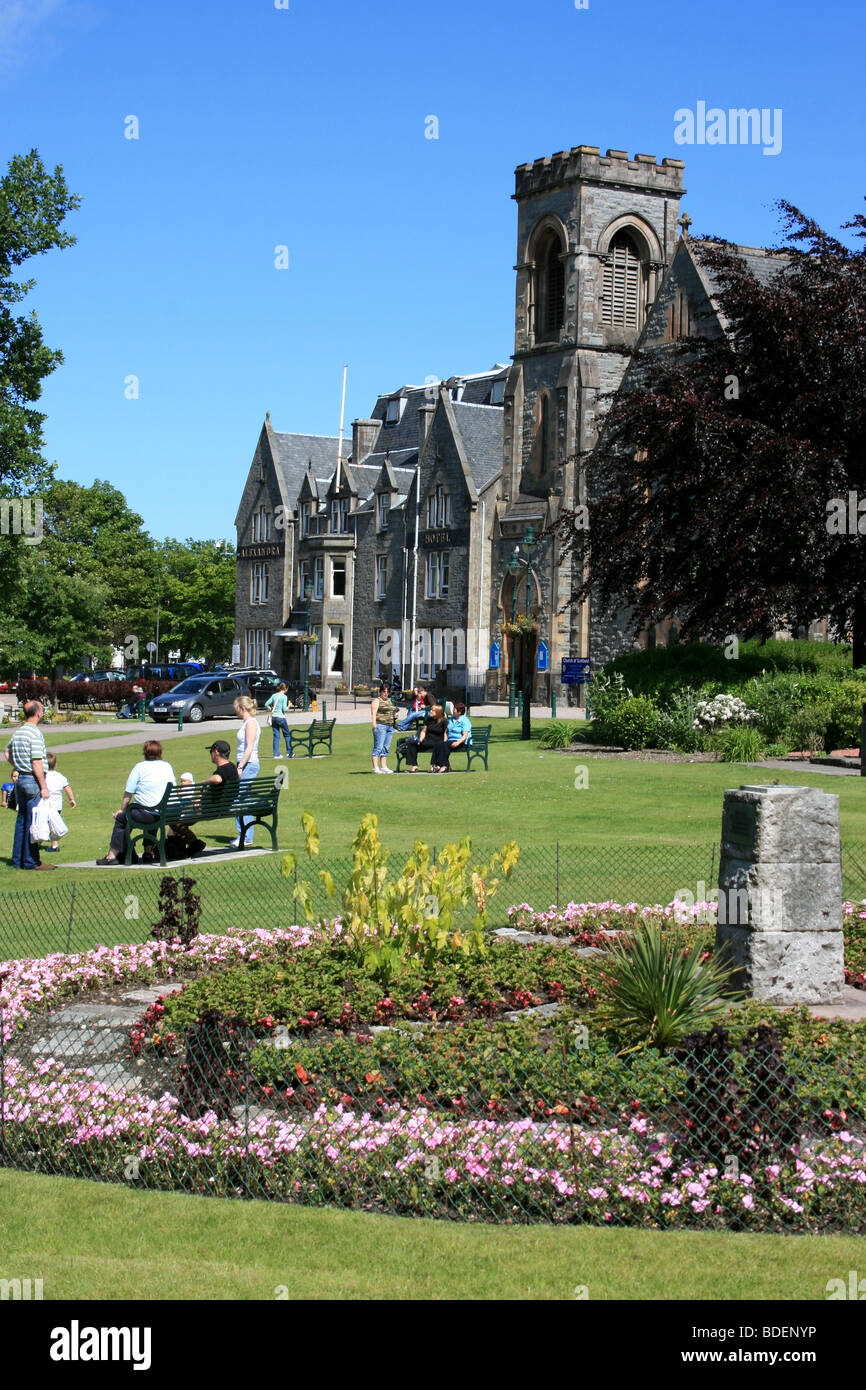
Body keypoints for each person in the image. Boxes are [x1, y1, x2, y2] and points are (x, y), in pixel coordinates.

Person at [96, 740, 176, 865]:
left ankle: (112, 856)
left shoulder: (140, 767)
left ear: (145, 753)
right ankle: (148, 853)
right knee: (150, 812)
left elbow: (128, 793)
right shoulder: (167, 766)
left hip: (148, 814)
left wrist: (122, 811)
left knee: (122, 818)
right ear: (160, 752)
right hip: (164, 813)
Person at [3, 699, 53, 870]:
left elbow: (6, 751)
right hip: (32, 780)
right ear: (38, 712)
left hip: (20, 781)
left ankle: (18, 859)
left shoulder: (18, 732)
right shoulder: (35, 733)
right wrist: (44, 786)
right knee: (34, 821)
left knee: (22, 819)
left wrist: (16, 765)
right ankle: (31, 861)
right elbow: (37, 763)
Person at [231, 696, 261, 846]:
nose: (235, 711)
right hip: (245, 763)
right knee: (243, 799)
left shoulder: (251, 723)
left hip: (248, 764)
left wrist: (240, 766)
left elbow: (249, 747)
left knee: (240, 800)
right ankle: (245, 835)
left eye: (236, 708)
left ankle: (245, 836)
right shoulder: (246, 723)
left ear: (242, 708)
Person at [44, 751, 76, 851]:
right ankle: (46, 842)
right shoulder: (59, 776)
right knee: (52, 824)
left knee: (47, 824)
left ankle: (54, 846)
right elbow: (67, 787)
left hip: (46, 804)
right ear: (56, 764)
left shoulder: (43, 776)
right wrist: (71, 799)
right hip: (57, 805)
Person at [401, 703, 447, 772]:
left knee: (438, 745)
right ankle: (414, 765)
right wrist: (420, 739)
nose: (430, 711)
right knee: (412, 743)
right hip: (427, 740)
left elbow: (445, 733)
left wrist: (444, 743)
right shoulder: (429, 720)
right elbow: (423, 731)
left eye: (432, 711)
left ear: (438, 713)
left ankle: (434, 765)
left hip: (437, 741)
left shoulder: (443, 721)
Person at [432, 702, 472, 771]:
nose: (453, 711)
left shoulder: (464, 720)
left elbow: (465, 735)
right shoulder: (452, 719)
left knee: (445, 745)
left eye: (454, 709)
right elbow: (446, 732)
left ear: (459, 712)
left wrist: (457, 743)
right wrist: (444, 741)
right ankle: (434, 765)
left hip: (462, 742)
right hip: (450, 741)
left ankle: (444, 766)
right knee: (438, 744)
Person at [370, 680, 397, 773]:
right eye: (384, 691)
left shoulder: (389, 701)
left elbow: (391, 711)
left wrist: (394, 716)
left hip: (390, 726)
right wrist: (374, 725)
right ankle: (375, 768)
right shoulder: (377, 701)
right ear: (380, 691)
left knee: (386, 747)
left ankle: (383, 766)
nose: (386, 693)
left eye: (387, 691)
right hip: (380, 726)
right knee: (378, 746)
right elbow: (373, 713)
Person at [265, 683, 291, 758]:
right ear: (285, 689)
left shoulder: (274, 695)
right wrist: (289, 705)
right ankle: (289, 752)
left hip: (273, 717)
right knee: (287, 735)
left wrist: (271, 709)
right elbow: (284, 709)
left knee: (276, 736)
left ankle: (276, 754)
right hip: (281, 717)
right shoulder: (284, 697)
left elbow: (266, 704)